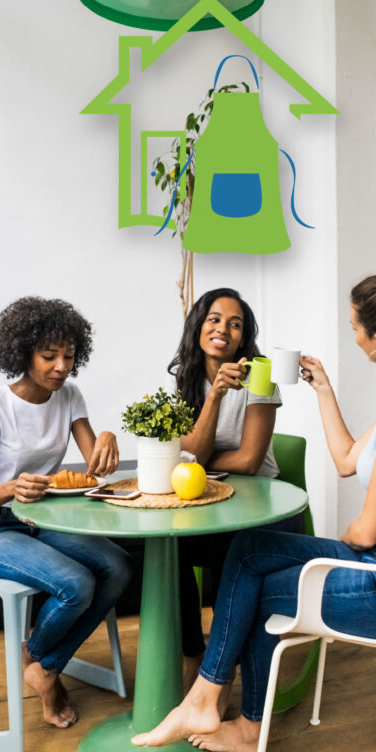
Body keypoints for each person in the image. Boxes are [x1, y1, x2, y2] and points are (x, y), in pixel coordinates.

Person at [132, 263, 376, 752]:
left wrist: (322, 551)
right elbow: (348, 460)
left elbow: (364, 534)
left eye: (354, 326)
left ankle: (235, 719)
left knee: (261, 585)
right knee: (247, 551)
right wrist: (324, 390)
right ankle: (208, 698)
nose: (351, 335)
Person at [0, 297, 132, 729]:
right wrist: (12, 488)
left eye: (69, 357)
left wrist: (106, 436)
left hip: (40, 519)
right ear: (23, 353)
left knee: (119, 566)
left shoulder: (69, 395)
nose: (61, 367)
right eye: (49, 356)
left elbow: (96, 471)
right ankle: (47, 672)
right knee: (76, 584)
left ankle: (40, 662)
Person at [166, 288, 301, 691]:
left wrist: (197, 459)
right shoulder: (186, 379)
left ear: (243, 338)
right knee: (168, 551)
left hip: (264, 511)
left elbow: (247, 462)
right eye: (214, 319)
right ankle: (194, 654)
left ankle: (221, 672)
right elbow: (189, 454)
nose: (223, 328)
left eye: (235, 323)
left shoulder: (261, 377)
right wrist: (216, 397)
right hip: (211, 505)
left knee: (232, 556)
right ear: (198, 327)